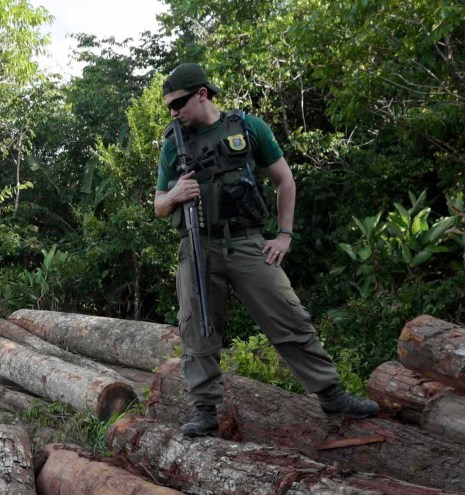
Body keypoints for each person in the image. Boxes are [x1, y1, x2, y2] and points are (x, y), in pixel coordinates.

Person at [154, 63, 379, 436]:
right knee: (197, 330)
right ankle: (206, 411)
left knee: (289, 316)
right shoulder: (172, 146)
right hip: (198, 246)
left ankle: (331, 394)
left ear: (202, 94)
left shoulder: (247, 128)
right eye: (169, 107)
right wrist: (175, 194)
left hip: (247, 241)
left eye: (178, 103)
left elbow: (285, 180)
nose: (173, 112)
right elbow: (159, 204)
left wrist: (285, 236)